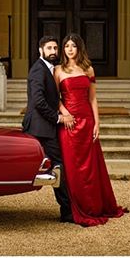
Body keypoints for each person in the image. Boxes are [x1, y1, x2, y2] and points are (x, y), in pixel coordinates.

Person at [54, 32, 128, 227]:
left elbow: (93, 98)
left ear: (80, 48)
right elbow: (55, 98)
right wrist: (65, 113)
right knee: (72, 168)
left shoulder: (88, 69)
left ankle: (94, 206)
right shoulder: (58, 70)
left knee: (91, 167)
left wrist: (97, 123)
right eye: (67, 46)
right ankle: (75, 207)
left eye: (73, 46)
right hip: (69, 124)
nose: (70, 49)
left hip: (87, 121)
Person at [22, 35, 75, 223]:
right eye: (49, 48)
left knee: (58, 167)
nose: (53, 52)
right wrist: (59, 118)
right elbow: (38, 101)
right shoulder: (39, 70)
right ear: (40, 51)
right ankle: (67, 212)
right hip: (41, 129)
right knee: (59, 166)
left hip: (44, 127)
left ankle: (68, 209)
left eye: (55, 48)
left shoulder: (48, 69)